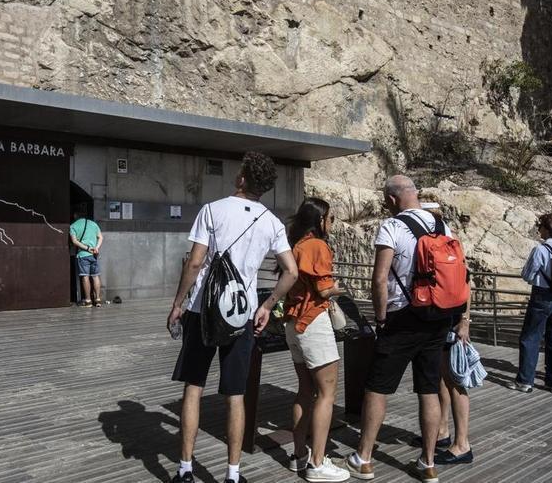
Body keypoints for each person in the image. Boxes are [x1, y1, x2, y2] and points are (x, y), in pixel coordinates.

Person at [166, 152, 299, 483]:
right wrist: (266, 305)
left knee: (193, 387)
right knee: (235, 395)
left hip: (202, 311)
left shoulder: (211, 210)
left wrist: (177, 303)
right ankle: (233, 473)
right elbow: (292, 272)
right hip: (241, 313)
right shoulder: (271, 221)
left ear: (242, 178)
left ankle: (184, 469)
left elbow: (195, 263)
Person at [341, 175, 452, 483]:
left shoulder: (391, 227)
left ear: (390, 200)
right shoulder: (442, 226)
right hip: (438, 317)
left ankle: (363, 458)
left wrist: (380, 319)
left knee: (377, 388)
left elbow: (379, 280)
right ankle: (428, 463)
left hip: (401, 317)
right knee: (429, 389)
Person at [282, 198, 350, 482]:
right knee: (327, 394)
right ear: (320, 220)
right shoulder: (318, 246)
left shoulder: (296, 245)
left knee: (305, 390)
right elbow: (323, 291)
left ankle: (299, 456)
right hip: (313, 322)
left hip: (292, 323)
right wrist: (341, 289)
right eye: (331, 218)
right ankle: (318, 463)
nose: (332, 224)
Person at [417, 197, 475, 466]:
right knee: (442, 377)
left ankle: (462, 443)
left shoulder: (445, 248)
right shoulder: (448, 245)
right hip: (446, 318)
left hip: (449, 320)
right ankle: (442, 430)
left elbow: (467, 283)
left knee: (454, 379)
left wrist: (464, 321)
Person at [511, 213, 552, 394]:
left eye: (541, 226)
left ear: (546, 229)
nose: (539, 229)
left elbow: (527, 275)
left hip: (542, 296)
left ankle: (525, 381)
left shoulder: (541, 250)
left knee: (530, 338)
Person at [70, 210, 103, 307]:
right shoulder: (93, 224)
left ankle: (88, 301)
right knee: (95, 276)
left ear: (75, 215)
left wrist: (87, 248)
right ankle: (97, 300)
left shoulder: (73, 226)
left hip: (83, 255)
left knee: (85, 277)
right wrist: (96, 248)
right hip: (94, 255)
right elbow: (101, 237)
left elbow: (74, 241)